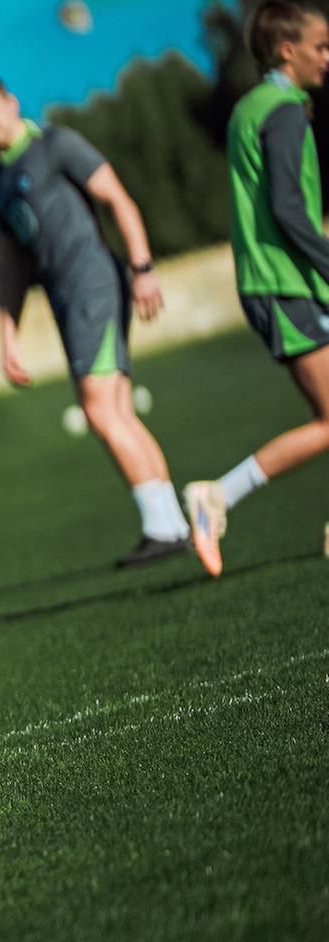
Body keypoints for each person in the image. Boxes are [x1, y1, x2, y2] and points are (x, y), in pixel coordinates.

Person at [0, 73, 188, 568]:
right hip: (64, 299)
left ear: (12, 102)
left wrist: (142, 267)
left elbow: (118, 199)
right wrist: (7, 335)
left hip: (94, 285)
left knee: (100, 411)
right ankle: (170, 523)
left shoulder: (58, 145)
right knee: (116, 410)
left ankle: (163, 526)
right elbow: (13, 265)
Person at [183, 0, 329, 576]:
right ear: (288, 51)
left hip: (276, 280)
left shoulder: (251, 107)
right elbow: (289, 210)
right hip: (284, 281)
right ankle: (217, 495)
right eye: (321, 47)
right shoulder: (288, 111)